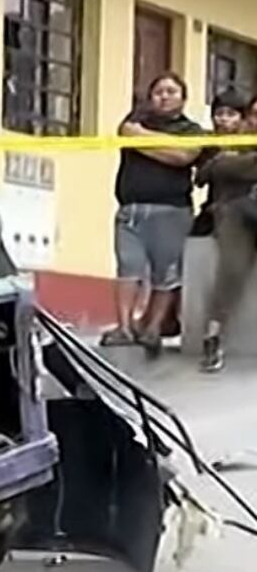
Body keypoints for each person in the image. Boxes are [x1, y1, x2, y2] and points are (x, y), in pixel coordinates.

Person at [101, 72, 203, 356]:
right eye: (159, 91)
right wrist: (161, 145)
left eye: (172, 91)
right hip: (130, 210)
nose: (164, 96)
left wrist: (143, 140)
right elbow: (127, 133)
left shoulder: (192, 130)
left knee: (166, 273)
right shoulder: (133, 122)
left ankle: (153, 328)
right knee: (127, 268)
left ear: (183, 99)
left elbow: (183, 156)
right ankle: (123, 327)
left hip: (171, 211)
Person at [196, 89, 257, 372]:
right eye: (255, 115)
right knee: (231, 270)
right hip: (236, 213)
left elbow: (233, 168)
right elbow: (207, 173)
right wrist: (228, 163)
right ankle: (213, 336)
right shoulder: (236, 141)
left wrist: (230, 164)